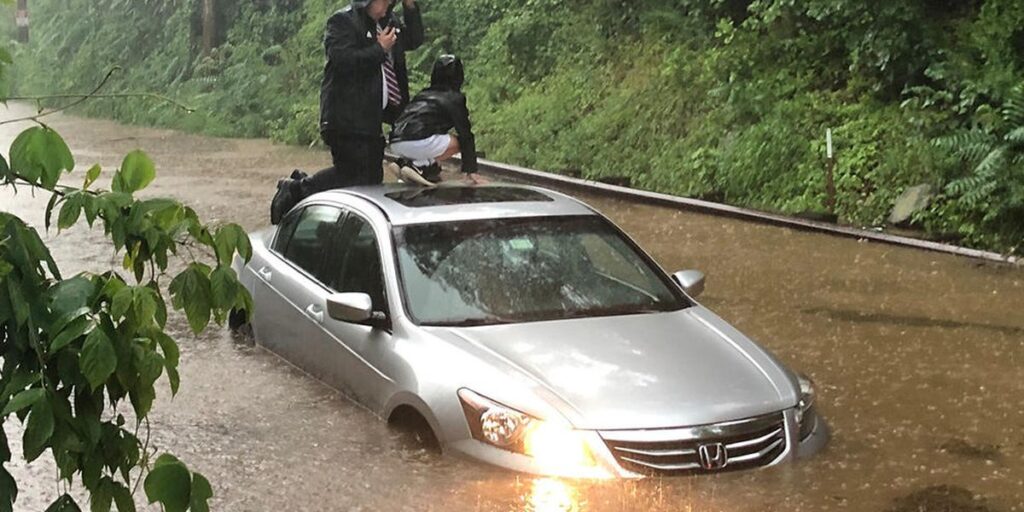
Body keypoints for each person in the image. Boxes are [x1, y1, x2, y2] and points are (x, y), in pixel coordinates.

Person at [271, 0, 423, 224]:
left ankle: (351, 226)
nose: (388, 6)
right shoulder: (343, 21)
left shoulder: (390, 23)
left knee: (371, 180)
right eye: (384, 1)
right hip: (344, 115)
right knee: (350, 173)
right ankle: (296, 190)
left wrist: (411, 7)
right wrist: (379, 50)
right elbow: (343, 61)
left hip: (372, 117)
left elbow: (415, 40)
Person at [387, 54, 484, 186]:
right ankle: (419, 167)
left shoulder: (422, 94)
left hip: (395, 142)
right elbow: (465, 134)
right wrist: (471, 170)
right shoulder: (454, 99)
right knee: (460, 142)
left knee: (438, 139)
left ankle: (403, 163)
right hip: (418, 140)